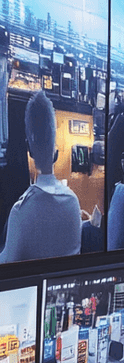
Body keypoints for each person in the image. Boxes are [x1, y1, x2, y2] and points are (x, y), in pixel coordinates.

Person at [0, 91, 82, 263]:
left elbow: (6, 266)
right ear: (56, 151)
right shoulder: (73, 202)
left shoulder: (20, 212)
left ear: (28, 148)